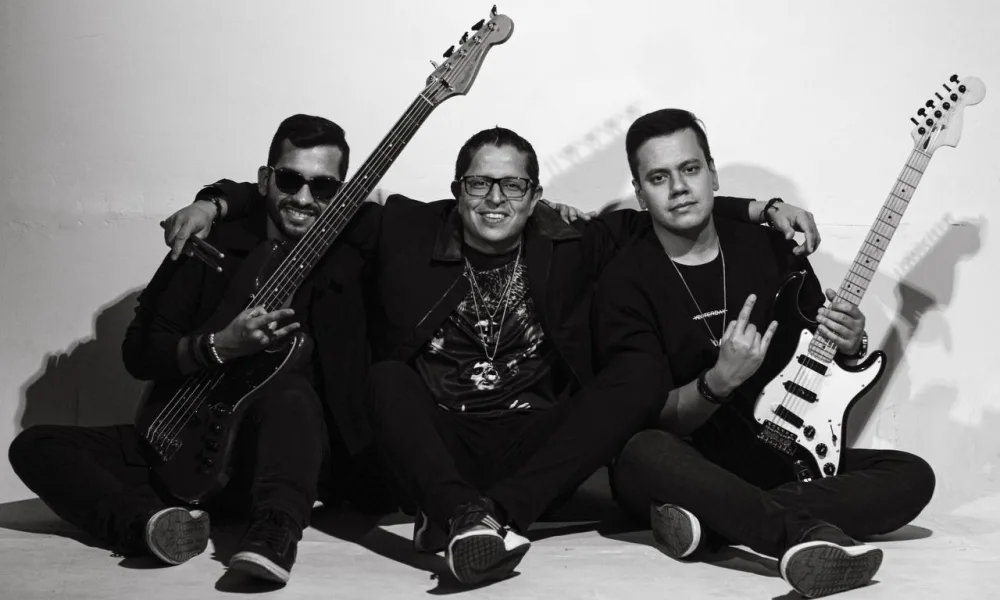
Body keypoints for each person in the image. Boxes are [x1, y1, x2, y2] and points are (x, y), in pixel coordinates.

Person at [163, 124, 822, 586]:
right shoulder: (405, 227)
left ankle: (492, 517)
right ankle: (460, 514)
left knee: (640, 374)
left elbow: (666, 207)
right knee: (387, 377)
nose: (496, 200)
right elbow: (307, 201)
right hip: (438, 441)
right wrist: (217, 200)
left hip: (534, 443)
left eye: (512, 186)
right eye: (480, 185)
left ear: (535, 195)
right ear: (457, 190)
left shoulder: (569, 239)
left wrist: (763, 208)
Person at [8, 114, 394, 585]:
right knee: (36, 446)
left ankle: (272, 535)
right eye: (290, 180)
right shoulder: (210, 246)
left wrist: (216, 198)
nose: (303, 198)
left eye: (324, 186)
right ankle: (152, 525)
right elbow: (139, 352)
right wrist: (217, 346)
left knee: (291, 394)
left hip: (262, 465)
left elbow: (435, 224)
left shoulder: (355, 252)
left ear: (341, 195)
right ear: (265, 180)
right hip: (171, 442)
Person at [592, 109, 936, 598]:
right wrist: (718, 383)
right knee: (640, 451)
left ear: (713, 174)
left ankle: (716, 521)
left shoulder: (770, 247)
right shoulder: (624, 282)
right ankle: (793, 533)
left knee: (911, 476)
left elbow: (821, 354)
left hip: (779, 449)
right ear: (640, 192)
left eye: (690, 169)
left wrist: (849, 342)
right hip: (687, 458)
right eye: (659, 177)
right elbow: (647, 417)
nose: (680, 188)